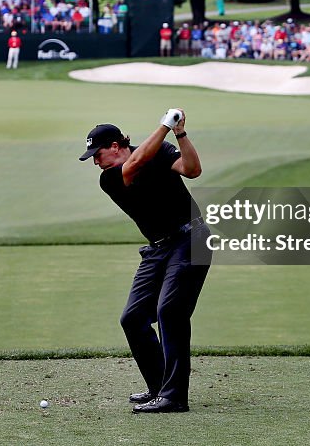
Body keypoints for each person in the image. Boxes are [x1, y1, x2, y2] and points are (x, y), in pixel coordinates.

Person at [78, 109, 211, 414]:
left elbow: (192, 170)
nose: (95, 162)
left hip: (193, 239)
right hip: (159, 248)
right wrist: (165, 125)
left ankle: (175, 397)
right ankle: (160, 387)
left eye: (97, 154)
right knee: (133, 318)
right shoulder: (109, 178)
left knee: (170, 311)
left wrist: (179, 133)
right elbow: (136, 163)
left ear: (115, 145)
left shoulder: (160, 150)